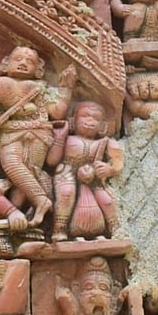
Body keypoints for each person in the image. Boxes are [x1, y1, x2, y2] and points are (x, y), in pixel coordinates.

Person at [0, 46, 75, 227]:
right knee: (13, 166)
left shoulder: (40, 88)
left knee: (27, 173)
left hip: (39, 132)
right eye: (18, 59)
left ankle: (18, 215)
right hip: (10, 132)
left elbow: (57, 112)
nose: (23, 63)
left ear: (38, 69)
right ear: (5, 63)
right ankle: (40, 201)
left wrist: (66, 88)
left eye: (30, 61)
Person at [49, 100, 123, 240]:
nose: (90, 120)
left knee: (106, 200)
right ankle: (60, 228)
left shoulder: (105, 142)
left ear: (103, 126)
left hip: (93, 175)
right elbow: (51, 161)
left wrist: (109, 169)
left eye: (95, 118)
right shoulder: (68, 139)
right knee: (66, 193)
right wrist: (59, 137)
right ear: (72, 121)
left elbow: (118, 161)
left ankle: (116, 228)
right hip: (68, 171)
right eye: (85, 115)